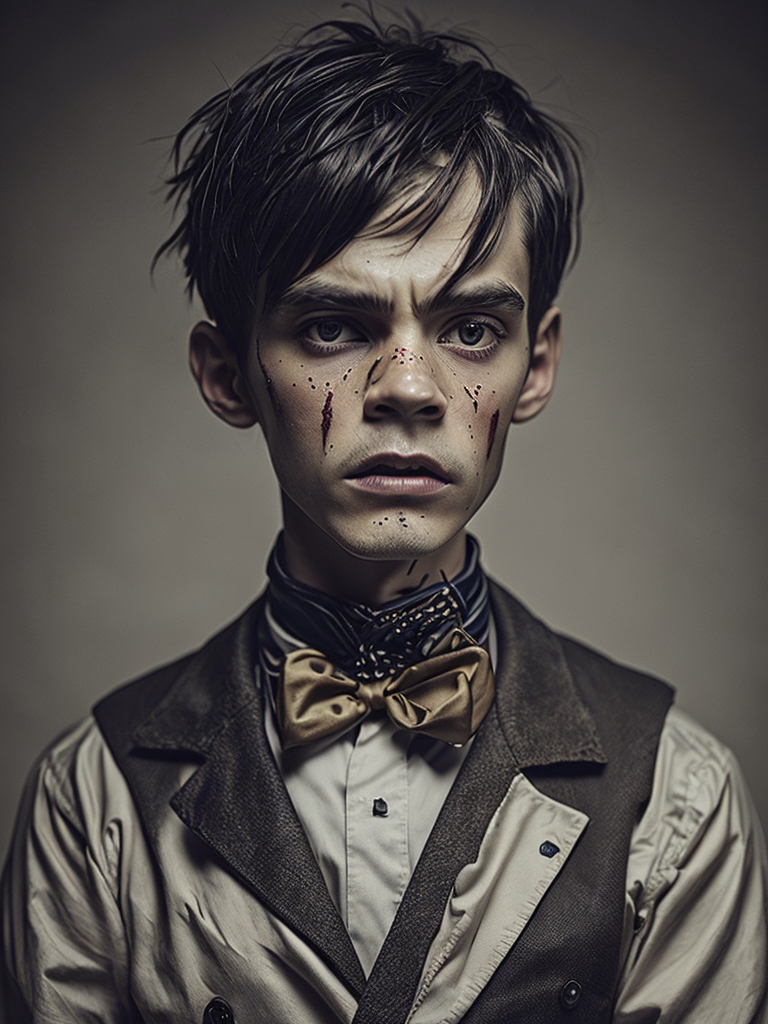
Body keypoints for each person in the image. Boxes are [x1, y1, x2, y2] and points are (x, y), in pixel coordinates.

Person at [1, 14, 766, 1024]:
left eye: (470, 328)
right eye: (333, 324)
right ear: (228, 373)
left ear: (534, 367)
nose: (408, 386)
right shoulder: (92, 801)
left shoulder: (675, 792)